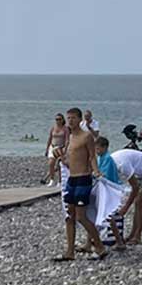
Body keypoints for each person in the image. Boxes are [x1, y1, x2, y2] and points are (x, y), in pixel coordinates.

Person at [53, 108, 108, 261]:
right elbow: (70, 158)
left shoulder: (87, 136)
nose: (70, 121)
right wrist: (62, 159)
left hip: (84, 179)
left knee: (81, 217)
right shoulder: (69, 137)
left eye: (73, 118)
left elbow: (92, 156)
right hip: (71, 179)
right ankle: (69, 251)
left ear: (79, 119)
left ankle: (100, 246)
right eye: (68, 118)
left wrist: (96, 171)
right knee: (69, 216)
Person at [111, 147, 142, 245]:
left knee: (140, 203)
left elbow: (135, 188)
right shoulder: (109, 163)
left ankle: (137, 236)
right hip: (138, 169)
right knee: (137, 203)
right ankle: (132, 235)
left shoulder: (122, 165)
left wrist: (125, 207)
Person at [43, 113, 69, 187]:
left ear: (62, 120)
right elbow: (50, 138)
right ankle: (52, 180)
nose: (58, 121)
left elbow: (67, 139)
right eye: (56, 119)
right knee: (51, 163)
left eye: (59, 119)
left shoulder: (65, 129)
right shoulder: (53, 128)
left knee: (60, 165)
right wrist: (47, 149)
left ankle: (60, 181)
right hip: (53, 147)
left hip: (61, 147)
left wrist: (65, 149)